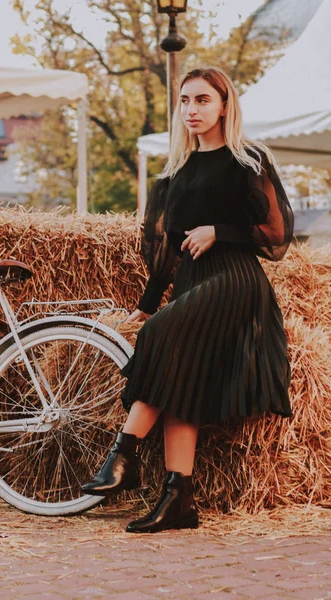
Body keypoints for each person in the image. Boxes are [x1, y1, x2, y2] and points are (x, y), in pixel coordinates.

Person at [81, 66, 294, 534]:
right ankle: (179, 499)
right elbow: (165, 251)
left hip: (235, 281)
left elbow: (279, 235)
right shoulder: (176, 173)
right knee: (182, 384)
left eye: (202, 100)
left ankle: (125, 453)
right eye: (184, 101)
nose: (192, 109)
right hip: (192, 283)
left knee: (158, 336)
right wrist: (149, 301)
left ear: (223, 105)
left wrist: (220, 232)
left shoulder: (248, 160)